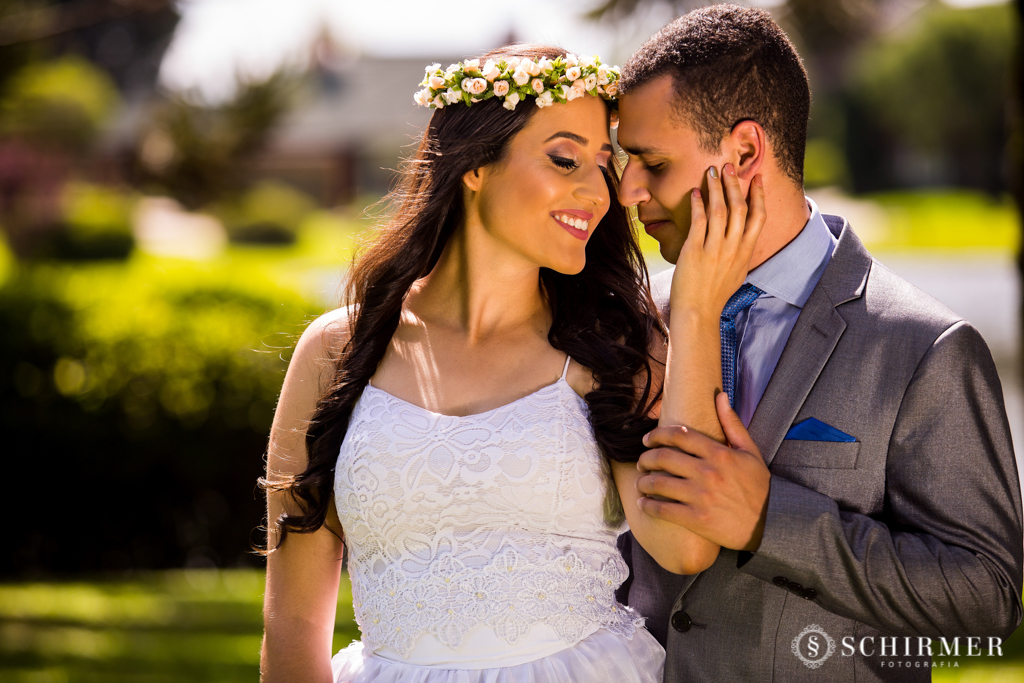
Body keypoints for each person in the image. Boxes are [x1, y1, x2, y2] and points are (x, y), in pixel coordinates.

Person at [257, 44, 763, 682]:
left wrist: (694, 311)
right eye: (564, 159)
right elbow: (294, 624)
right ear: (474, 166)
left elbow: (685, 546)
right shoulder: (336, 353)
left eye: (603, 165)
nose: (597, 192)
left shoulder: (616, 346)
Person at [613, 5, 1024, 682]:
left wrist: (769, 519)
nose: (628, 190)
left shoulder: (924, 346)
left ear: (744, 153)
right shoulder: (636, 320)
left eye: (650, 162)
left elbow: (987, 594)